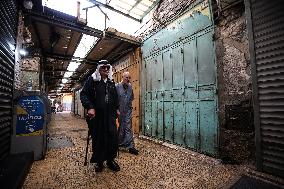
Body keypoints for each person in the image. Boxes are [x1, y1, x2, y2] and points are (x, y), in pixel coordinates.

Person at [80, 60, 120, 172]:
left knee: (112, 138)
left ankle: (110, 160)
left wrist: (117, 108)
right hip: (97, 117)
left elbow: (115, 97)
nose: (106, 69)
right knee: (99, 139)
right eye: (104, 68)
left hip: (110, 116)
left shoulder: (111, 82)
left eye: (108, 68)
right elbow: (84, 95)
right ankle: (99, 161)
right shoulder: (92, 80)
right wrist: (90, 107)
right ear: (99, 69)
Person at [116, 72, 139, 155]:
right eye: (126, 77)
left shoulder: (130, 87)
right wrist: (116, 109)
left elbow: (131, 98)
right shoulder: (117, 86)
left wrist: (129, 108)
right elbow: (113, 100)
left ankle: (130, 146)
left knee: (128, 127)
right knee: (120, 128)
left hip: (127, 111)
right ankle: (118, 144)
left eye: (129, 78)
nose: (128, 79)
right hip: (118, 111)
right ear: (122, 77)